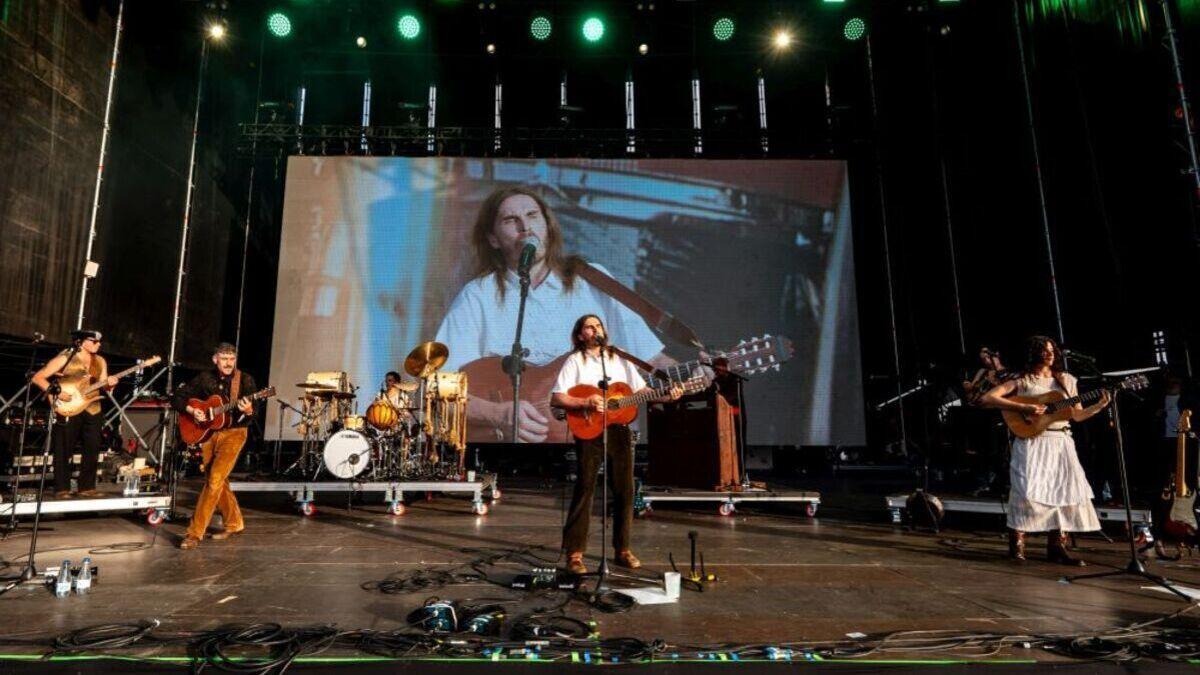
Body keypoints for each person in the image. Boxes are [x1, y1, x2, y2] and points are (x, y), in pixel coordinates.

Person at [435, 186, 673, 443]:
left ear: (547, 227)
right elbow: (437, 386)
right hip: (507, 453)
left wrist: (690, 374)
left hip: (594, 449)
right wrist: (496, 413)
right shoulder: (478, 295)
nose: (525, 226)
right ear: (493, 239)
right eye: (511, 220)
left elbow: (651, 360)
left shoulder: (593, 280)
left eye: (532, 215)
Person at [550, 314, 683, 575]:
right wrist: (585, 402)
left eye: (598, 325)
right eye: (589, 327)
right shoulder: (575, 360)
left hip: (619, 429)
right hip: (589, 428)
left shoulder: (620, 358)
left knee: (625, 489)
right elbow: (557, 398)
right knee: (585, 487)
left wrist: (667, 395)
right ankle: (574, 554)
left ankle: (623, 549)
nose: (595, 329)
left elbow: (641, 391)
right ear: (580, 335)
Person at [981, 335, 1110, 565]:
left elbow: (1077, 415)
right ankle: (1017, 545)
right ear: (1033, 354)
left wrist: (1099, 406)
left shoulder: (1066, 381)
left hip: (1061, 442)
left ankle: (1057, 546)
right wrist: (1024, 407)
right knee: (1025, 490)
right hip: (1033, 442)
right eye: (1044, 350)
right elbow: (988, 398)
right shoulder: (1023, 380)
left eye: (1052, 350)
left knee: (1063, 491)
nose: (1050, 354)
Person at [172, 343, 258, 550]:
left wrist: (248, 410)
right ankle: (234, 523)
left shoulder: (245, 380)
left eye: (232, 359)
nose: (228, 363)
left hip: (235, 433)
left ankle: (194, 533)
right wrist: (193, 411)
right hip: (209, 434)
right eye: (224, 359)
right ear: (215, 359)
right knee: (218, 481)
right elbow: (178, 397)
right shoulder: (205, 378)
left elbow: (254, 414)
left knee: (214, 480)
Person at [31, 329, 117, 498]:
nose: (98, 344)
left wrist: (110, 384)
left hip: (93, 407)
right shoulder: (66, 357)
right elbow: (38, 377)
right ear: (81, 342)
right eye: (94, 341)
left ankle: (87, 487)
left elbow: (104, 385)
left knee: (92, 447)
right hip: (69, 405)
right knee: (64, 446)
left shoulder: (100, 361)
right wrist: (55, 391)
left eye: (99, 342)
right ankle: (61, 488)